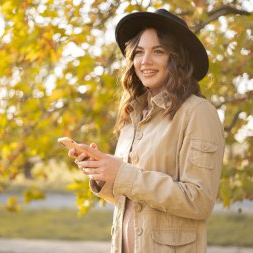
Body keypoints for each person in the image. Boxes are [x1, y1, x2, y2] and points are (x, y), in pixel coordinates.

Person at [67, 8, 225, 253]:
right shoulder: (133, 116)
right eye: (139, 52)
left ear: (178, 59)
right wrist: (103, 173)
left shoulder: (198, 113)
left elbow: (199, 201)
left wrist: (122, 173)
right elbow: (134, 200)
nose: (145, 61)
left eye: (158, 52)